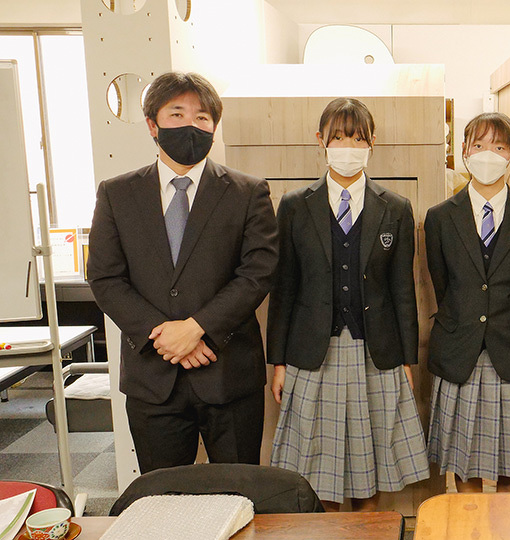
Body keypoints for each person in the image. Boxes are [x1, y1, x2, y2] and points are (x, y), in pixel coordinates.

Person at [87, 72, 279, 473]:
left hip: (229, 374)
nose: (191, 124)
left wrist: (196, 328)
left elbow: (257, 273)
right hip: (152, 377)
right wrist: (164, 334)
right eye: (177, 114)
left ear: (214, 127)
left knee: (240, 491)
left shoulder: (248, 192)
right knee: (162, 494)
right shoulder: (117, 193)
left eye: (202, 117)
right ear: (152, 125)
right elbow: (105, 278)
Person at [267, 98, 429, 511]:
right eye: (338, 137)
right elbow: (284, 288)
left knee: (369, 470)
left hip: (376, 352)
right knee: (319, 473)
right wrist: (278, 361)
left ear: (372, 143)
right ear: (321, 140)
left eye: (358, 138)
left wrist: (407, 360)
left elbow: (403, 290)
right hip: (312, 353)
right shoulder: (294, 205)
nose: (348, 147)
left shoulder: (395, 208)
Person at [425, 112, 510, 492]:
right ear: (464, 152)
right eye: (478, 145)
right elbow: (442, 285)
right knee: (463, 467)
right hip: (459, 351)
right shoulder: (439, 218)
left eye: (498, 147)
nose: (487, 155)